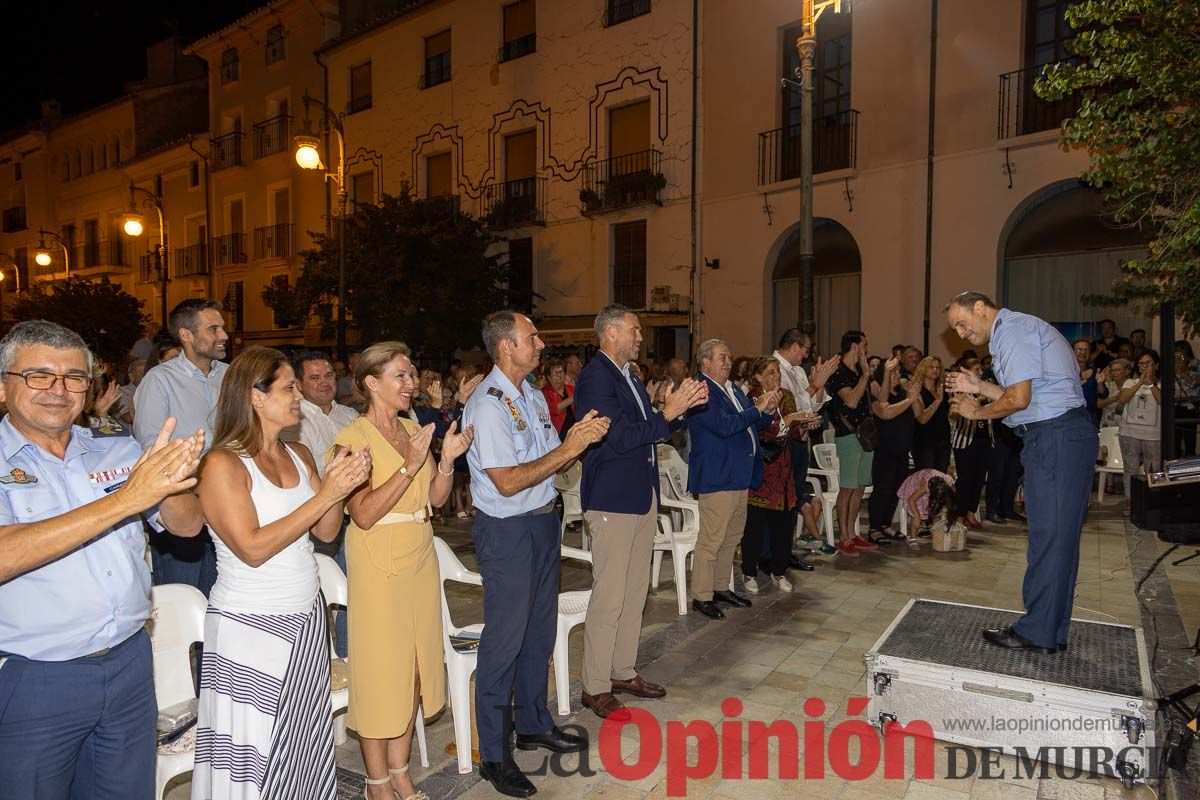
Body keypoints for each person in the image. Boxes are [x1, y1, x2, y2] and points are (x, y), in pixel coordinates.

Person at [0, 320, 204, 799]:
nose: (58, 389)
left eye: (74, 377)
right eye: (39, 375)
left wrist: (170, 483)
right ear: (3, 384)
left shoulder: (117, 447)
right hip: (38, 677)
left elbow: (188, 526)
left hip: (131, 663)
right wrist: (125, 500)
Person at [192, 347, 370, 800]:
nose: (297, 397)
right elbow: (251, 548)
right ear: (255, 396)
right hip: (250, 623)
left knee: (304, 744)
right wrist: (324, 493)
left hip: (305, 616)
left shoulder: (299, 453)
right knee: (256, 751)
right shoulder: (222, 464)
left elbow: (325, 531)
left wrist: (338, 485)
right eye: (289, 387)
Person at [463, 311, 610, 798]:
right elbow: (506, 481)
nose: (541, 344)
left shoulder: (526, 395)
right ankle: (495, 754)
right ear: (506, 347)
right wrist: (570, 448)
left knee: (538, 631)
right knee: (504, 641)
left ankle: (531, 721)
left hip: (542, 521)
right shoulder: (489, 404)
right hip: (508, 531)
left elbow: (544, 455)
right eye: (532, 338)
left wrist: (574, 439)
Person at [333, 342, 474, 800]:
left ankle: (400, 770)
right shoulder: (352, 438)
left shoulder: (413, 427)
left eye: (411, 374)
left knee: (414, 665)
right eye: (400, 375)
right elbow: (364, 513)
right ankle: (377, 780)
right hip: (378, 558)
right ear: (372, 383)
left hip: (418, 553)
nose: (411, 383)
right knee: (380, 670)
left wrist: (447, 459)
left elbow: (435, 498)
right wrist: (409, 466)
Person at [573, 304, 707, 721]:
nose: (640, 337)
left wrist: (674, 411)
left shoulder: (628, 375)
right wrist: (666, 414)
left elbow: (647, 424)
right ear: (610, 332)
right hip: (613, 499)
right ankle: (594, 686)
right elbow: (616, 438)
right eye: (633, 330)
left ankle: (622, 670)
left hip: (639, 495)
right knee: (610, 595)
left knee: (634, 593)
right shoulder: (596, 378)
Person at [946, 291, 1096, 654]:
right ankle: (1050, 631)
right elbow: (1022, 392)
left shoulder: (1011, 331)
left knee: (1048, 538)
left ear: (980, 308)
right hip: (1061, 435)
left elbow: (1019, 400)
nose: (961, 334)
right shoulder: (1022, 328)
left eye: (962, 324)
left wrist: (976, 413)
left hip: (1055, 437)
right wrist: (981, 387)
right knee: (1057, 540)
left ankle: (1036, 631)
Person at [134, 298, 229, 594]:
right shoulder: (159, 381)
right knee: (185, 603)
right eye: (213, 329)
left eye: (223, 327)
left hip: (230, 506)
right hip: (183, 509)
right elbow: (152, 447)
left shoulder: (231, 376)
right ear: (186, 335)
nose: (224, 335)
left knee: (223, 602)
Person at [686, 338, 779, 619]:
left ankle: (720, 587)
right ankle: (702, 596)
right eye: (722, 357)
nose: (728, 362)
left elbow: (752, 422)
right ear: (705, 362)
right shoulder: (701, 390)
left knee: (732, 536)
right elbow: (725, 426)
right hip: (718, 475)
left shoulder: (730, 389)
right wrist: (757, 408)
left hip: (738, 475)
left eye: (729, 357)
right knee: (712, 539)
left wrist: (769, 409)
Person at [285, 351, 360, 656]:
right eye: (314, 378)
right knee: (327, 590)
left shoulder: (349, 415)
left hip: (353, 513)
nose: (325, 383)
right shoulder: (294, 420)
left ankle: (350, 652)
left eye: (329, 375)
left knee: (353, 588)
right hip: (318, 520)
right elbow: (307, 472)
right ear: (299, 385)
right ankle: (333, 656)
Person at [740, 356, 821, 593]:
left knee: (783, 528)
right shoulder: (753, 398)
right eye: (771, 372)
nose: (777, 375)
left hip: (785, 472)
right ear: (758, 376)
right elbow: (763, 433)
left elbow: (792, 433)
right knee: (754, 529)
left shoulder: (786, 395)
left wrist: (805, 427)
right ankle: (749, 573)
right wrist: (790, 419)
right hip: (763, 474)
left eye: (777, 371)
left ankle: (779, 571)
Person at [772, 329, 840, 555]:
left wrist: (819, 385)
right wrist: (814, 385)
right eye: (806, 350)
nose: (806, 355)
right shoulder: (773, 368)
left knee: (794, 494)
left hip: (801, 440)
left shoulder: (799, 371)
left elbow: (813, 406)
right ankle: (780, 549)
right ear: (794, 346)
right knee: (785, 496)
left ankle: (788, 549)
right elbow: (789, 406)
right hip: (780, 441)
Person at [823, 330, 879, 557]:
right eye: (864, 345)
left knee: (860, 487)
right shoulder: (839, 372)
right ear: (855, 347)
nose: (867, 349)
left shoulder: (859, 371)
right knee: (847, 488)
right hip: (848, 436)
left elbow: (879, 398)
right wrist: (865, 375)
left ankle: (853, 534)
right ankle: (843, 536)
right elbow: (852, 401)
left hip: (865, 436)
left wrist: (870, 374)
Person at [866, 356, 917, 543]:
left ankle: (886, 524)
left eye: (897, 371)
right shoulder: (877, 396)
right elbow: (885, 412)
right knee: (883, 488)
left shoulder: (902, 394)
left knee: (896, 488)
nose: (897, 375)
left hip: (902, 450)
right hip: (884, 450)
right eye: (892, 372)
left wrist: (911, 396)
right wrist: (910, 400)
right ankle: (874, 528)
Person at [1116, 350, 1163, 507]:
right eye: (1141, 363)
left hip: (1153, 435)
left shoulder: (1162, 383)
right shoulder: (1130, 382)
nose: (1144, 366)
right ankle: (1131, 503)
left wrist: (1150, 384)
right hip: (1129, 433)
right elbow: (1123, 399)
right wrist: (1139, 383)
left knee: (1154, 469)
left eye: (1148, 363)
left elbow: (1163, 401)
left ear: (1156, 365)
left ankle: (1152, 503)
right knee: (1131, 469)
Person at [950, 358, 992, 530]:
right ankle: (959, 514)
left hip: (984, 438)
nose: (981, 373)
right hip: (965, 440)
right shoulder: (958, 389)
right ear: (966, 371)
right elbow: (956, 413)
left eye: (981, 369)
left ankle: (970, 512)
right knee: (965, 480)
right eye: (976, 369)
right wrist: (980, 399)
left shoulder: (983, 388)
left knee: (979, 479)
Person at [897, 468, 958, 547]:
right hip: (915, 487)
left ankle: (936, 534)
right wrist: (917, 516)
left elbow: (953, 499)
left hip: (932, 491)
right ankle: (913, 538)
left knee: (937, 514)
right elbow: (911, 500)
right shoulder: (925, 486)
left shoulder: (949, 483)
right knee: (916, 513)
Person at [911, 356, 951, 472]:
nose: (935, 370)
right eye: (931, 367)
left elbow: (950, 414)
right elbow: (922, 419)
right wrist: (937, 401)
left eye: (938, 367)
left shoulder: (941, 389)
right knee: (926, 479)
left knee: (941, 477)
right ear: (923, 369)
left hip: (943, 439)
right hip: (924, 441)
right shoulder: (917, 390)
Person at [540, 358, 576, 437]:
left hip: (574, 432)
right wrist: (573, 397)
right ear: (549, 377)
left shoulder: (571, 389)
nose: (559, 375)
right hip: (556, 434)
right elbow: (554, 409)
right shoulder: (544, 392)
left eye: (561, 371)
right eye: (555, 373)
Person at [1072, 339, 1101, 425]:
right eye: (1079, 349)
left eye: (1086, 349)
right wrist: (1080, 381)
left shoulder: (1095, 371)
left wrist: (1100, 383)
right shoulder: (1065, 372)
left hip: (1091, 417)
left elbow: (1103, 394)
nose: (1083, 352)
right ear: (1071, 352)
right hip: (1072, 418)